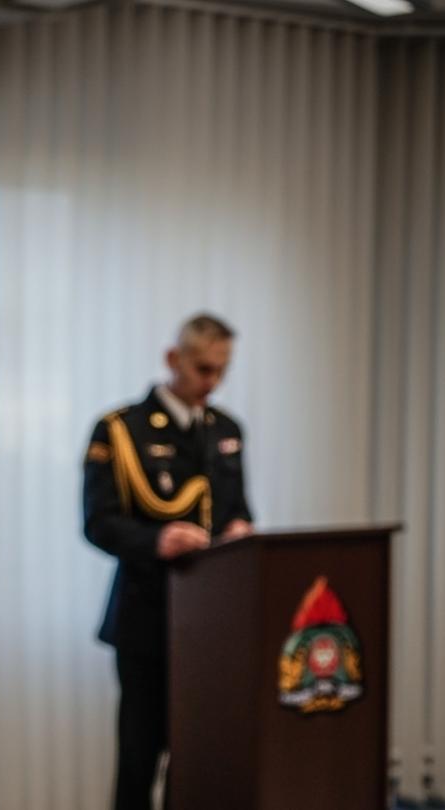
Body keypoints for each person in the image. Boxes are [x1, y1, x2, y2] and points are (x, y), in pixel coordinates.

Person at [83, 313, 254, 810]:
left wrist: (241, 531)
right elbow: (98, 522)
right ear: (173, 359)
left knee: (201, 755)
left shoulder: (226, 429)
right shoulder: (120, 430)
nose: (212, 383)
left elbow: (237, 508)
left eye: (222, 370)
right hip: (147, 616)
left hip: (214, 624)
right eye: (203, 369)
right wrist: (157, 541)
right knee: (140, 755)